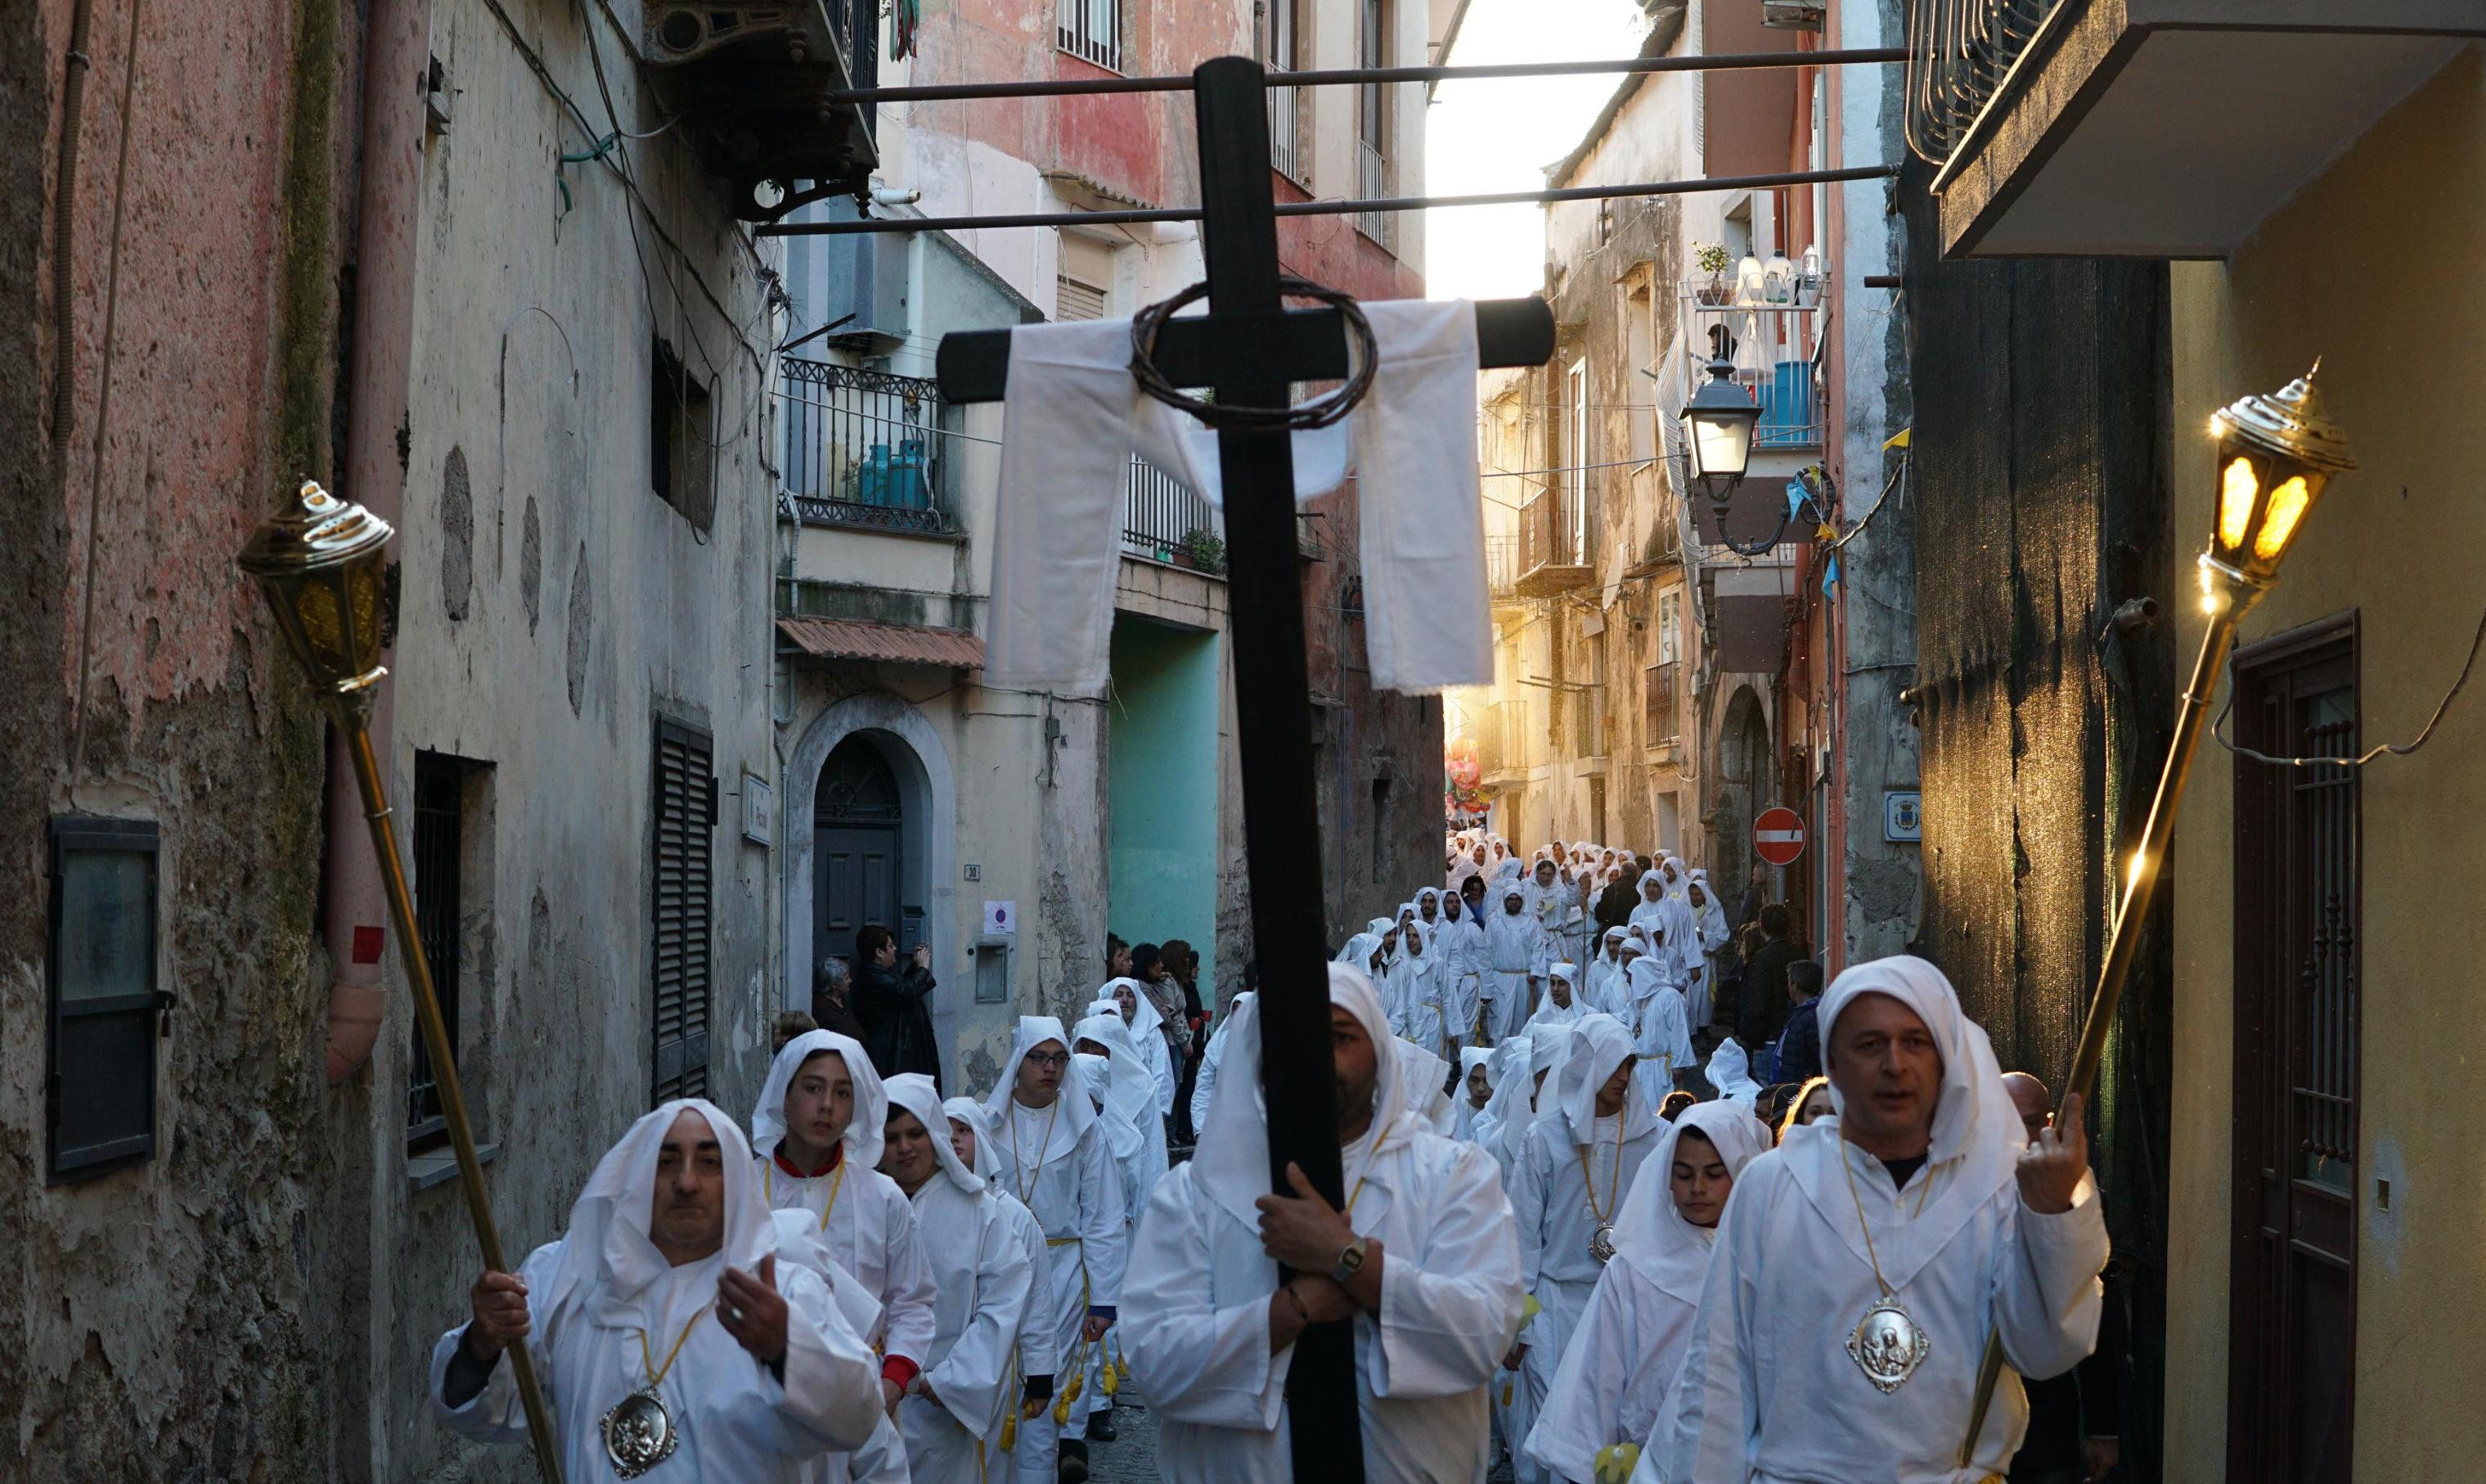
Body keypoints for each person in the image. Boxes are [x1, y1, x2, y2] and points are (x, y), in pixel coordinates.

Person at [1656, 955, 2108, 1483]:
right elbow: (1716, 1376)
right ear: (1833, 1063)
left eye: (1915, 1042)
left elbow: (2044, 1352)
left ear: (1944, 1059)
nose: (1895, 1064)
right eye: (1869, 1045)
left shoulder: (1996, 1189)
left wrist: (2051, 1215)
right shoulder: (1771, 1187)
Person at [1120, 964, 1526, 1481]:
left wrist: (1352, 1263)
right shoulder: (1196, 1193)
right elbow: (1155, 1365)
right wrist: (1295, 1308)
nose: (1314, 1054)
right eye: (1294, 1035)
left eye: (1339, 1036)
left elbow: (1484, 1334)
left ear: (1379, 1053)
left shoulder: (1453, 1177)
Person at [430, 1100, 884, 1478]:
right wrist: (481, 1345)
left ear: (738, 1183)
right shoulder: (570, 1277)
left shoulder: (784, 1291)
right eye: (665, 1161)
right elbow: (484, 1413)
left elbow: (858, 1418)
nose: (686, 1182)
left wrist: (786, 1348)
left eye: (709, 1163)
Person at [1524, 1101, 1773, 1484]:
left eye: (1713, 1173)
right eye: (1684, 1174)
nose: (1698, 1189)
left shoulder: (1765, 1262)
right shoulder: (1635, 1266)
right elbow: (1596, 1374)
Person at [751, 1031, 941, 1425]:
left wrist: (892, 1383)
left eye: (842, 1093)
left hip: (859, 1397)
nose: (826, 1106)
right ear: (785, 1095)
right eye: (812, 1088)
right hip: (755, 1395)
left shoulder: (882, 1196)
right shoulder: (743, 1190)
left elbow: (912, 1301)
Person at [1506, 1014, 1660, 1483]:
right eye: (1613, 1065)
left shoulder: (1656, 1138)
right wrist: (1517, 1323)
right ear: (1585, 1065)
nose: (1622, 1077)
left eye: (1629, 1066)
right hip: (1557, 1305)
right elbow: (1522, 1236)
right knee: (1558, 1428)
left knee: (1616, 1426)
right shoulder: (1546, 1138)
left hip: (1624, 1304)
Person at [980, 1017, 1127, 1484]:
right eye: (1039, 1058)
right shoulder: (988, 1125)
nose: (1051, 1068)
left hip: (1063, 1267)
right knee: (999, 1371)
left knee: (1052, 1375)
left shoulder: (1084, 1130)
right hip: (998, 1268)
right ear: (1018, 1062)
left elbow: (1103, 1215)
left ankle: (1048, 1463)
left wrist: (1104, 1298)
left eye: (1060, 1059)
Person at [879, 1073, 1043, 1482]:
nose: (903, 1148)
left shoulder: (980, 1212)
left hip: (940, 1404)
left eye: (915, 1134)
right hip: (869, 1405)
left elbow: (1004, 1298)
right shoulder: (865, 1204)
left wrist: (955, 1380)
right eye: (891, 1136)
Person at [2002, 1073, 2124, 1484]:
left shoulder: (2076, 1203)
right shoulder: (1954, 1197)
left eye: (2032, 1122)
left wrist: (2103, 1428)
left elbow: (2101, 1319)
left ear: (2051, 1124)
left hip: (2045, 1427)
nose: (2020, 1134)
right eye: (2006, 1120)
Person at [946, 1096, 1061, 1469]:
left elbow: (1037, 1300)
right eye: (945, 1131)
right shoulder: (925, 1208)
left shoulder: (1015, 1217)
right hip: (939, 1366)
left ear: (982, 1137)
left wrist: (1040, 1372)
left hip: (997, 1370)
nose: (954, 1140)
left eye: (963, 1130)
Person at [851, 925, 941, 1087]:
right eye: (891, 946)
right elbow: (904, 992)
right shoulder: (873, 976)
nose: (895, 949)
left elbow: (900, 988)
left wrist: (915, 966)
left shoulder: (879, 973)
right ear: (879, 953)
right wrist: (922, 968)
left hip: (898, 1049)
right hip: (893, 1053)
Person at [1733, 904, 1807, 1067]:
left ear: (1762, 926)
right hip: (1794, 1030)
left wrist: (1751, 1037)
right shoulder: (1798, 953)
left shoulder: (1762, 958)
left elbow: (1758, 1001)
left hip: (1769, 1037)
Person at [1100, 976, 1177, 1122]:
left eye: (1130, 995)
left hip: (1144, 1111)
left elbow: (1162, 1074)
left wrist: (1157, 1112)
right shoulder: (1100, 1030)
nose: (1124, 1000)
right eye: (1119, 994)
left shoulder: (1152, 1035)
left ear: (1138, 1001)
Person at [1483, 876, 1545, 1043]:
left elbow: (1538, 948)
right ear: (1504, 901)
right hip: (1500, 980)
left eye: (1517, 899)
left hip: (1523, 981)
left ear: (1522, 901)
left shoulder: (1530, 923)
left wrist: (1535, 971)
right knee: (1500, 1020)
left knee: (1520, 1020)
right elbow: (1485, 952)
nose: (1513, 903)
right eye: (1509, 899)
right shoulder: (1494, 922)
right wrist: (1486, 983)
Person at [1624, 957, 1695, 1104]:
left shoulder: (1670, 997)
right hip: (1640, 1067)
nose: (1628, 980)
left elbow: (1679, 1031)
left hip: (1662, 1068)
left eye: (1631, 975)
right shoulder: (1636, 1002)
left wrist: (1679, 1065)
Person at [1774, 960, 1827, 1085]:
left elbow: (1821, 1059)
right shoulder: (1800, 1014)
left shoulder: (1811, 1017)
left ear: (1795, 986)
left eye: (1789, 982)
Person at [812, 958, 870, 1045]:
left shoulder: (842, 999)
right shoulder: (820, 1007)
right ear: (834, 985)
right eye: (846, 978)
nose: (850, 980)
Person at [1454, 1046, 1496, 1144]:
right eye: (1474, 1080)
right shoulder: (1456, 1113)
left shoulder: (1503, 1115)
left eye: (1487, 1081)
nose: (1480, 1088)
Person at [1775, 1076, 1834, 1142]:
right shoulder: (1780, 1152)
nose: (1823, 1120)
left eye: (1832, 1114)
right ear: (1801, 1114)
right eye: (1815, 1113)